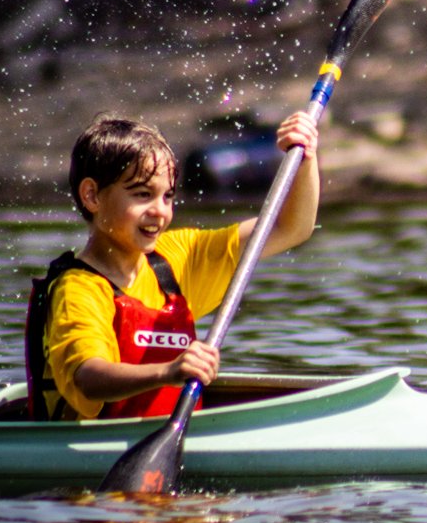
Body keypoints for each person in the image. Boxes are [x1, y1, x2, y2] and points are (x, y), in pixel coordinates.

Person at [23, 113, 321, 420]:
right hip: (90, 451)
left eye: (167, 196)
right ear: (92, 196)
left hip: (168, 438)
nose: (160, 212)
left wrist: (305, 158)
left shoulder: (175, 258)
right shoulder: (79, 290)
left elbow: (291, 228)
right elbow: (89, 378)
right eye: (142, 195)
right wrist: (168, 371)